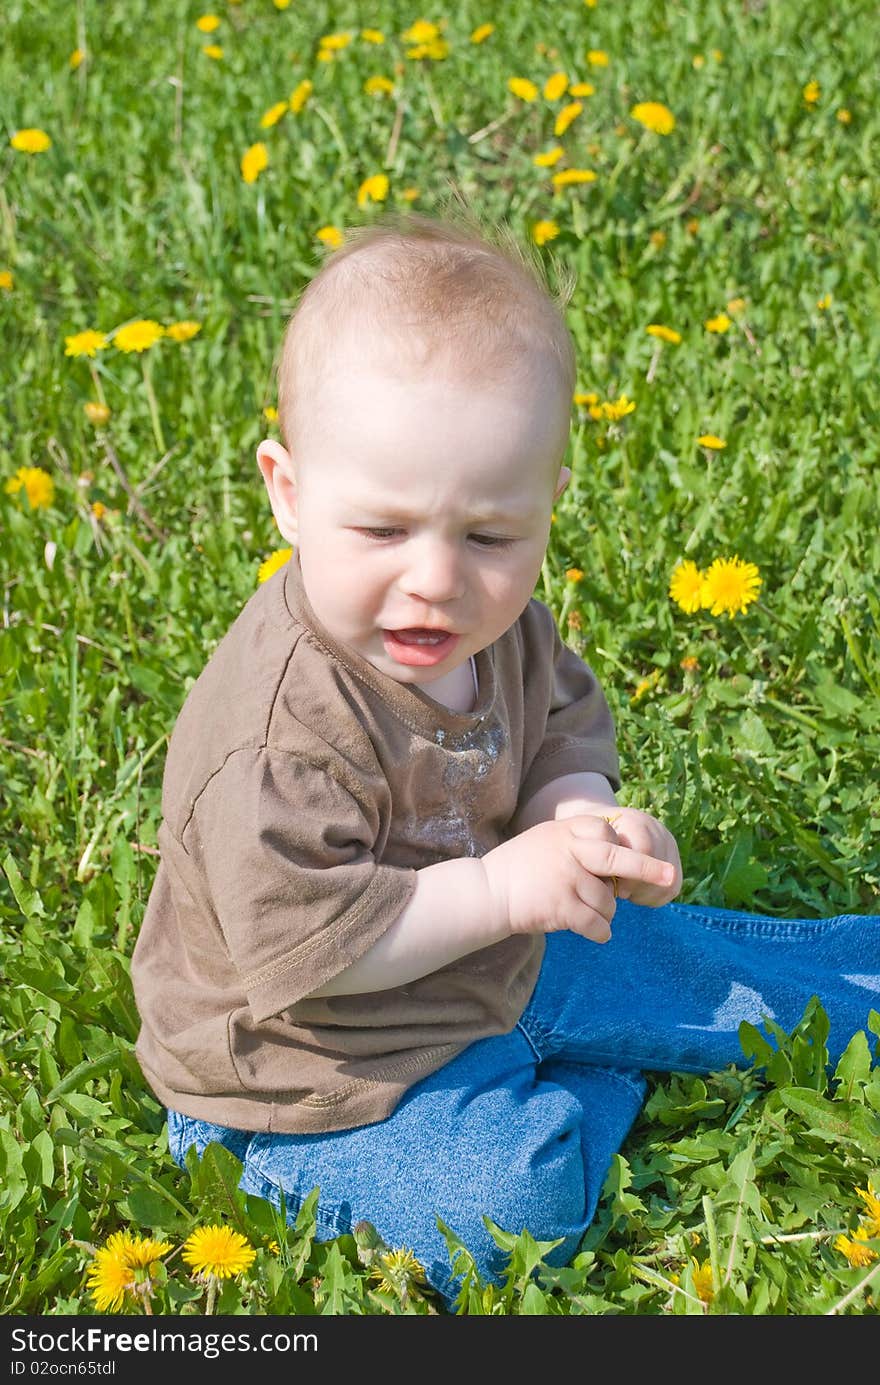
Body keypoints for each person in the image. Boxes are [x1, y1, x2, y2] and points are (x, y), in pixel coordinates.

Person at [130, 209, 877, 1311]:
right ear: (287, 492)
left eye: (487, 536)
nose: (435, 580)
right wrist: (500, 885)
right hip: (312, 1069)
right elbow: (318, 953)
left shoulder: (497, 627)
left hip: (493, 950)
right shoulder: (277, 737)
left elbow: (561, 719)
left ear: (546, 506)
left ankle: (595, 1042)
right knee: (504, 1211)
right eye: (382, 530)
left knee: (771, 985)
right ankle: (570, 1076)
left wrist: (580, 816)